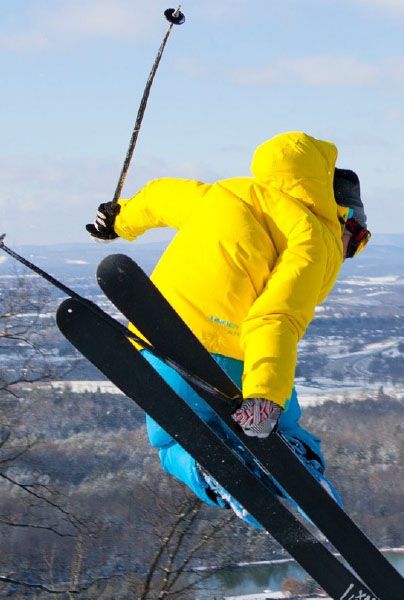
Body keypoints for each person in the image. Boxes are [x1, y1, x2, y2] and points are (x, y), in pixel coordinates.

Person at [85, 131, 371, 524]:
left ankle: (211, 470)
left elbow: (157, 197)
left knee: (172, 442)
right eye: (355, 239)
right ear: (340, 214)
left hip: (160, 347)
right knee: (281, 425)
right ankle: (296, 464)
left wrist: (120, 221)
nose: (349, 251)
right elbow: (275, 317)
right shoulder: (311, 238)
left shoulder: (220, 195)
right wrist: (264, 398)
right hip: (232, 359)